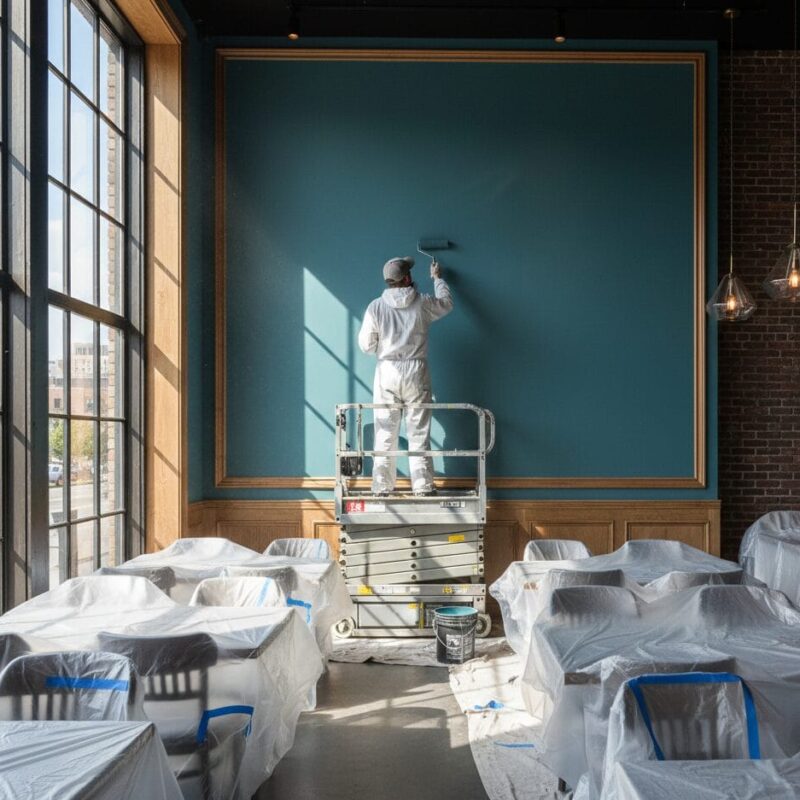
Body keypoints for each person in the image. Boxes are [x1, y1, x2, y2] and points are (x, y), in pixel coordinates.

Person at [358, 255, 453, 495]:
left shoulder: (376, 307)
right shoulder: (422, 302)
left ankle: (381, 487)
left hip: (387, 371)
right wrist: (437, 278)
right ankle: (422, 486)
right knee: (418, 431)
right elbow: (446, 303)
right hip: (416, 370)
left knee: (385, 431)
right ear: (407, 277)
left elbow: (367, 346)